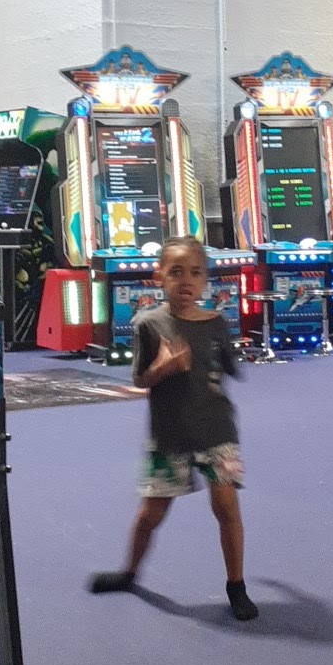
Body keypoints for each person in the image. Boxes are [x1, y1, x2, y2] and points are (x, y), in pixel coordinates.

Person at [88, 235, 258, 623]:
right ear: (159, 276)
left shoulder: (217, 323)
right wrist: (164, 367)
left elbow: (229, 367)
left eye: (195, 273)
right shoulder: (148, 324)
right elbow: (140, 379)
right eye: (176, 272)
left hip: (218, 432)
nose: (186, 281)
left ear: (205, 280)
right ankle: (129, 572)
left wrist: (228, 361)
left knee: (226, 507)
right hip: (170, 435)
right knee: (152, 512)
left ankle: (236, 586)